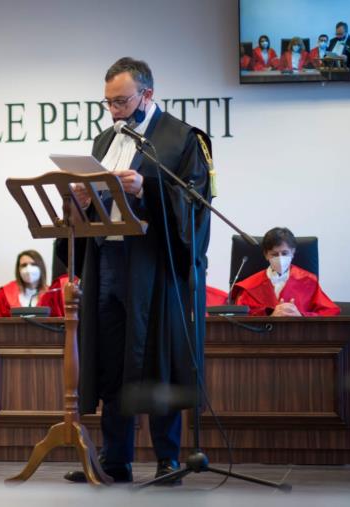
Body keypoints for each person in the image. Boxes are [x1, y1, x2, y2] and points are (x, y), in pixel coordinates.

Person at [62, 57, 212, 484]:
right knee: (111, 362)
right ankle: (115, 459)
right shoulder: (102, 142)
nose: (114, 111)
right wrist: (84, 200)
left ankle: (168, 460)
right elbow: (92, 207)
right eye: (108, 102)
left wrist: (147, 188)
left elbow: (195, 208)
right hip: (106, 263)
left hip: (153, 269)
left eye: (122, 101)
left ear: (147, 93)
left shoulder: (182, 138)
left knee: (156, 360)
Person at [231, 227, 339, 317]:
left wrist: (301, 316)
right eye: (274, 254)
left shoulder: (309, 281)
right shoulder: (249, 286)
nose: (280, 258)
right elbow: (240, 317)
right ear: (266, 255)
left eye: (285, 253)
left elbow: (330, 311)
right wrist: (270, 315)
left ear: (293, 252)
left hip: (299, 338)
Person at [0, 250, 48, 317]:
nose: (28, 269)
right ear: (18, 270)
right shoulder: (5, 293)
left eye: (33, 264)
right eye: (24, 265)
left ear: (41, 267)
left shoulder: (51, 294)